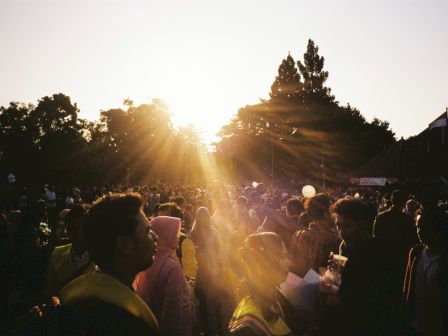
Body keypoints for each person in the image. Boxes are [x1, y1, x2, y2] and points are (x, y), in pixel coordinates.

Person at [58, 193, 159, 335]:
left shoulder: (81, 292)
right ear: (124, 244)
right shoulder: (121, 320)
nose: (156, 237)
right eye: (148, 231)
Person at [326, 197, 403, 335]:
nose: (341, 232)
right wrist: (330, 278)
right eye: (338, 225)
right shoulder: (343, 247)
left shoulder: (379, 252)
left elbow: (381, 299)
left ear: (362, 224)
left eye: (347, 226)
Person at [229, 232, 305, 336]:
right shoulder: (249, 324)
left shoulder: (275, 296)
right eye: (283, 256)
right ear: (266, 264)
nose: (289, 262)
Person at [134, 216, 193, 336]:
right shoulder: (172, 267)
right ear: (163, 234)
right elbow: (173, 312)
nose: (177, 237)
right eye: (174, 233)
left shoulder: (145, 262)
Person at [403, 205, 448, 336]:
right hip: (416, 324)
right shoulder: (416, 252)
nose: (419, 231)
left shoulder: (444, 258)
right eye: (417, 227)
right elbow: (408, 288)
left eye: (424, 227)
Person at [47, 205, 95, 296]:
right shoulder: (57, 254)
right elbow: (51, 291)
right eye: (71, 229)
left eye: (78, 228)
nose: (75, 233)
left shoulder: (100, 256)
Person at [289, 193, 340, 277]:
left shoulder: (298, 235)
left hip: (297, 286)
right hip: (321, 287)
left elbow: (291, 265)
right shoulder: (333, 241)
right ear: (326, 214)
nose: (334, 215)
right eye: (332, 211)